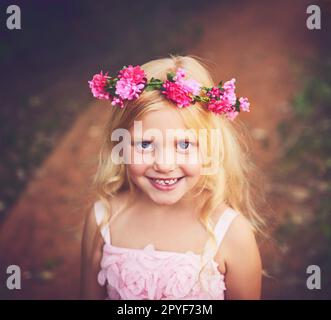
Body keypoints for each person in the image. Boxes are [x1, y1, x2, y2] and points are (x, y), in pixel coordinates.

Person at [80, 54, 264, 300]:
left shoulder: (231, 233)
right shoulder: (104, 221)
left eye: (185, 145)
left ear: (209, 149)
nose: (165, 165)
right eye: (145, 144)